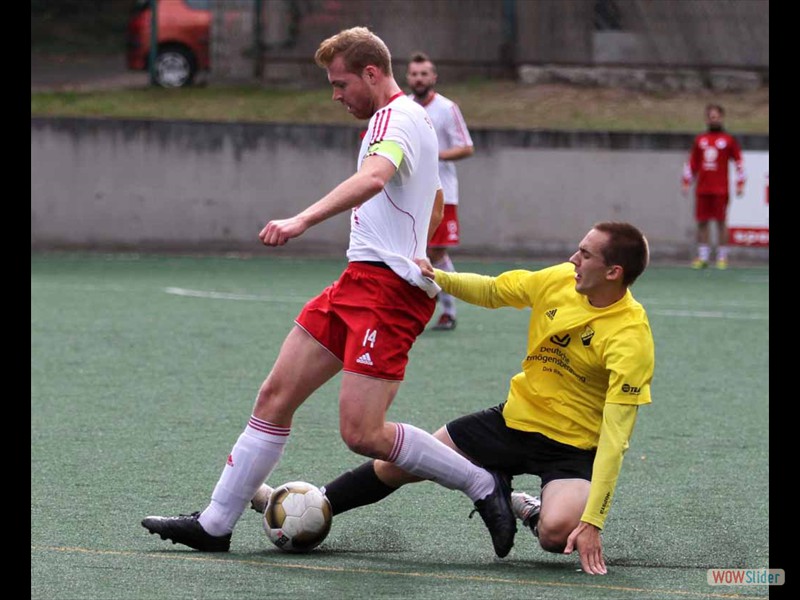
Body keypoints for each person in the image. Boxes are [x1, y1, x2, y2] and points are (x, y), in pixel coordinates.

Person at [141, 26, 516, 559]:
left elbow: (374, 177)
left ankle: (483, 483)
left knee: (363, 433)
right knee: (275, 397)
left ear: (371, 73)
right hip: (358, 281)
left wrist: (301, 220)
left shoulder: (394, 118)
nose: (336, 96)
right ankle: (215, 524)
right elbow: (433, 198)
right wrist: (414, 244)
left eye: (341, 84)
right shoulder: (413, 118)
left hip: (387, 293)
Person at [251, 221, 655, 575]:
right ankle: (314, 503)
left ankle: (530, 509)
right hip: (511, 422)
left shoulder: (630, 338)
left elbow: (615, 438)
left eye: (585, 255)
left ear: (613, 272)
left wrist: (593, 521)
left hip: (572, 447)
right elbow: (495, 290)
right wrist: (438, 277)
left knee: (557, 534)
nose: (573, 259)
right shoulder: (560, 280)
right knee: (400, 466)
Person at [406, 52, 474, 331]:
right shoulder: (402, 107)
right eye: (414, 74)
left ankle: (447, 309)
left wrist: (435, 155)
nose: (419, 79)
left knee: (435, 252)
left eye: (424, 74)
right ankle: (425, 310)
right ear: (408, 77)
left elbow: (466, 147)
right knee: (416, 251)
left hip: (443, 193)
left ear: (433, 77)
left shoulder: (447, 108)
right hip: (412, 193)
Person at [681, 103, 746, 270]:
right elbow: (692, 163)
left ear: (721, 118)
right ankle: (703, 257)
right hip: (703, 188)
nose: (713, 119)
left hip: (720, 189)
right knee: (702, 222)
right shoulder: (700, 140)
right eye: (711, 117)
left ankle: (722, 257)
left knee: (721, 222)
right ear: (707, 119)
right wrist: (686, 181)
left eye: (716, 117)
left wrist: (740, 183)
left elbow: (739, 162)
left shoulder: (728, 140)